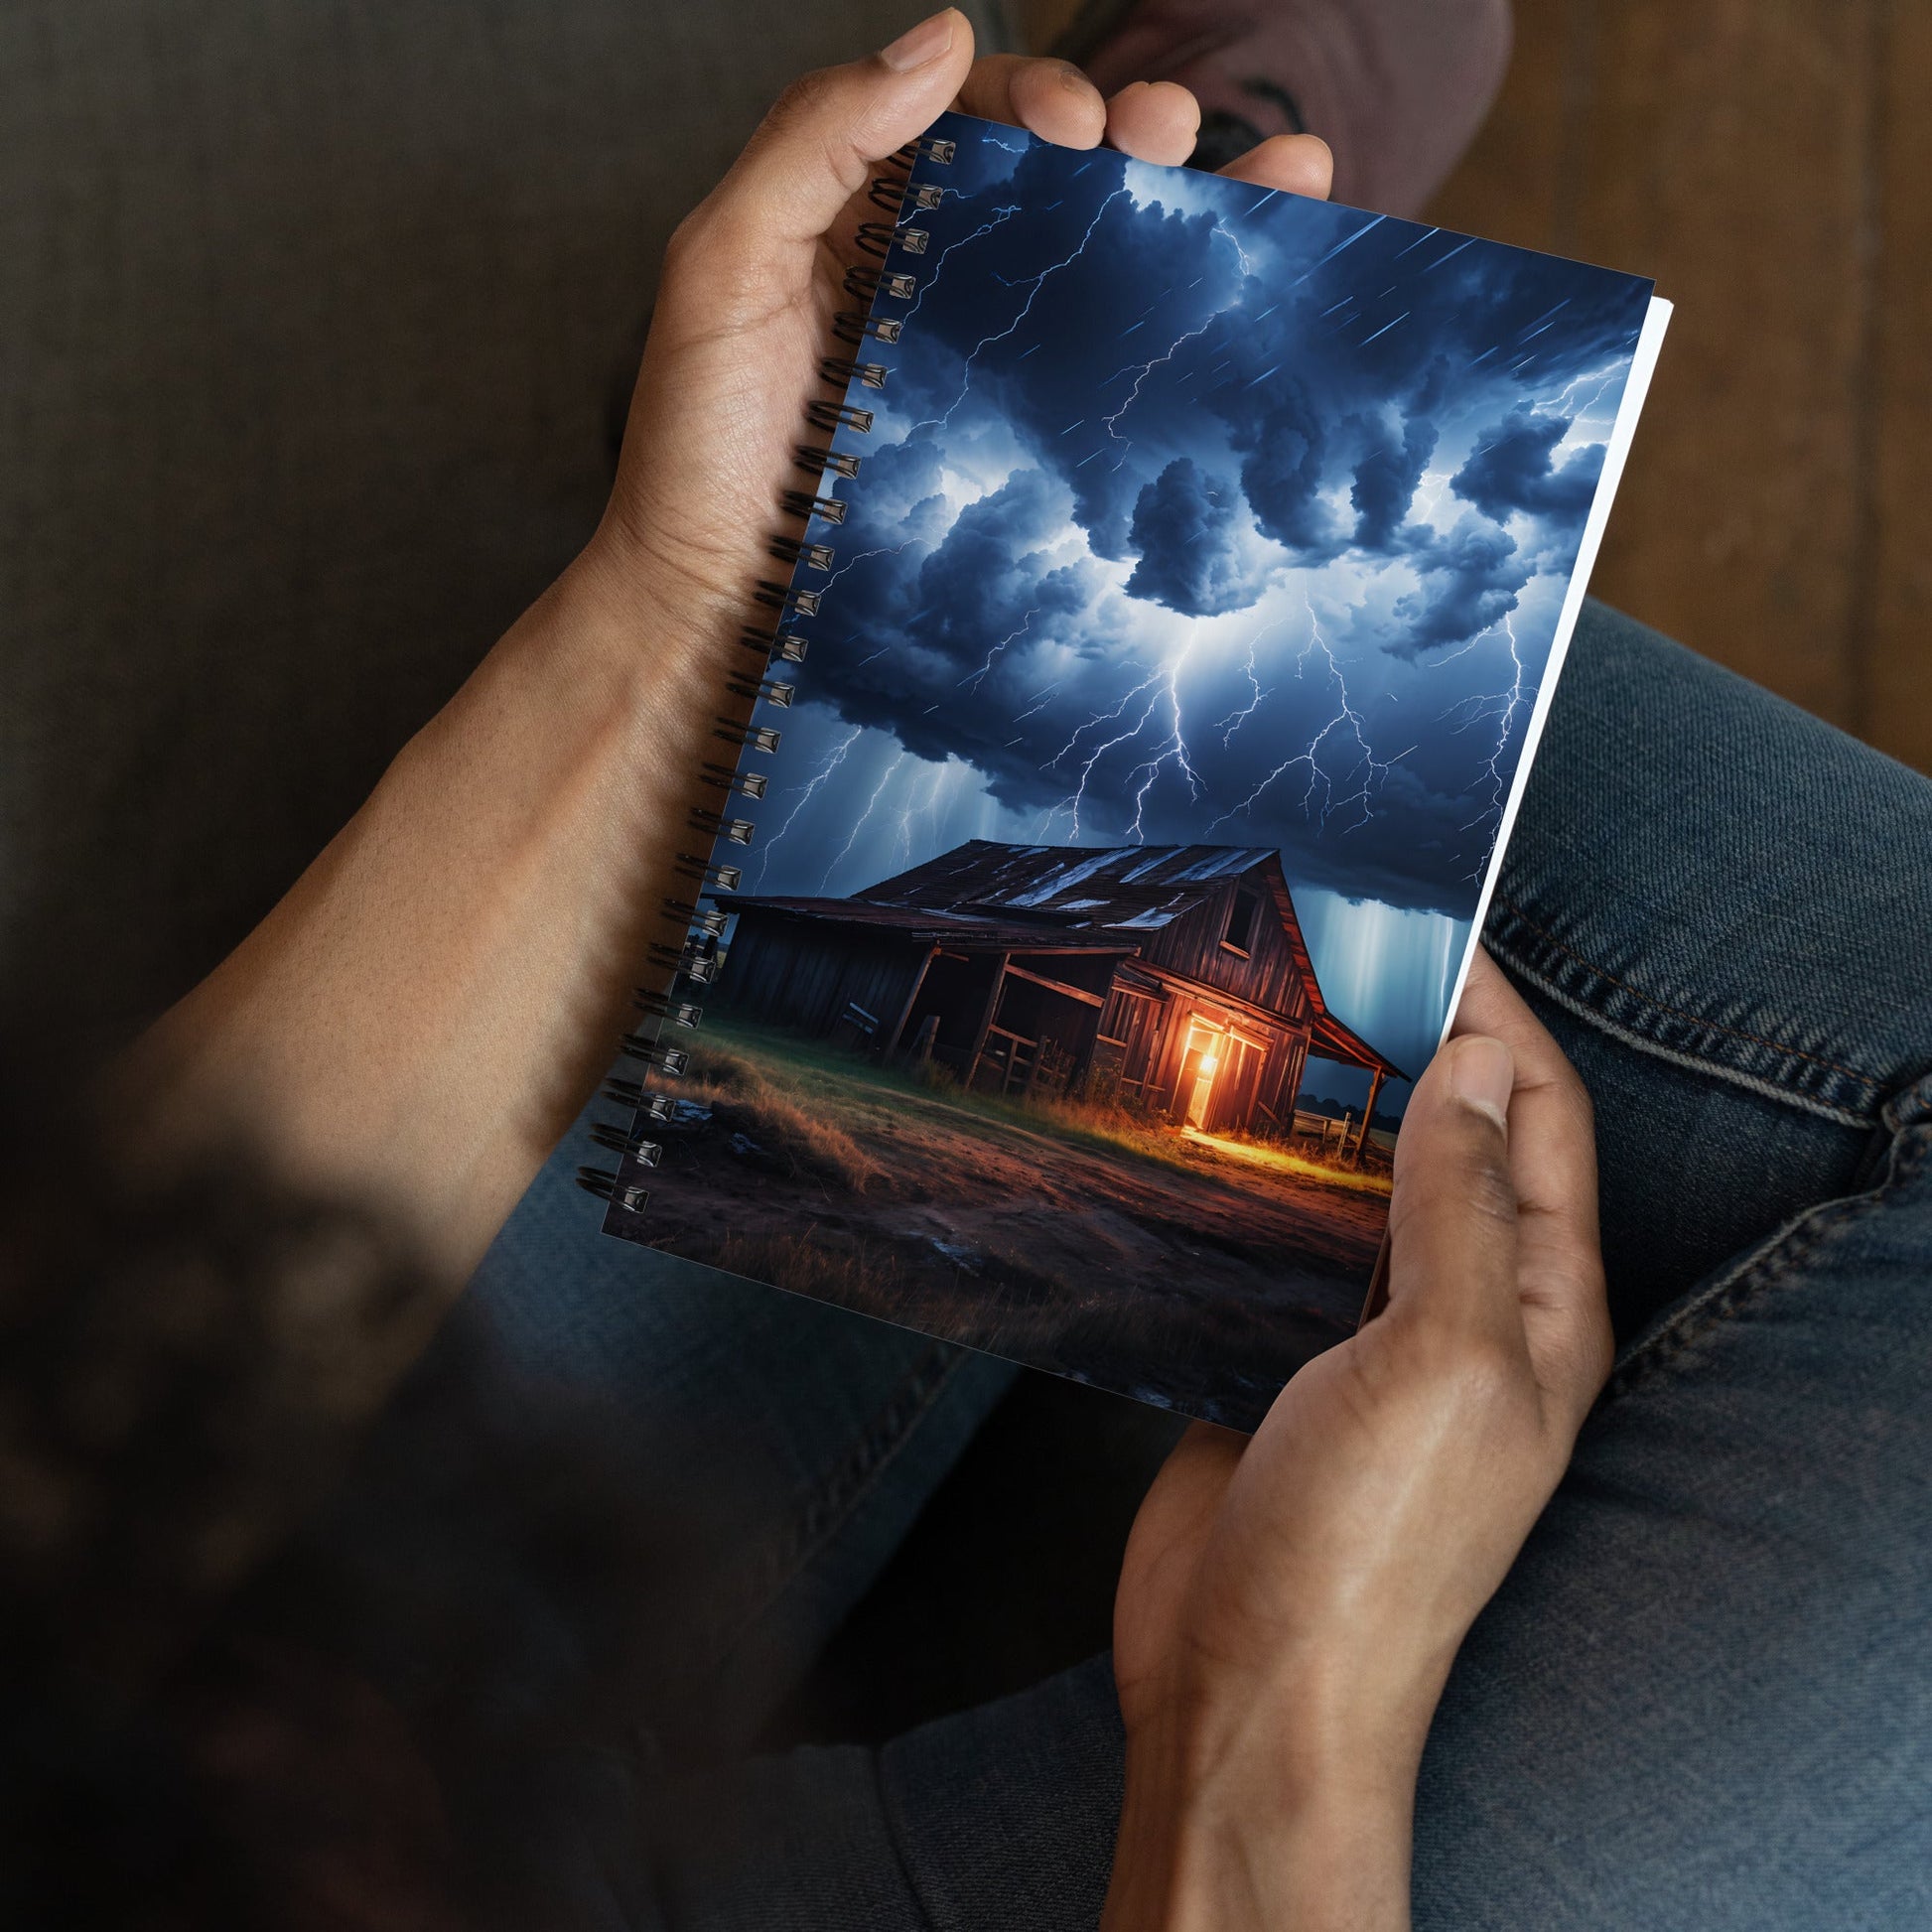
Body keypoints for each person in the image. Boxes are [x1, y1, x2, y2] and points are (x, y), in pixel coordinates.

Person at [7, 11, 1929, 1928]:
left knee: (935, 853)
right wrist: (1268, 1732)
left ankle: (915, 461)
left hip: (201, 1742)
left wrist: (673, 617)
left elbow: (62, 1460)